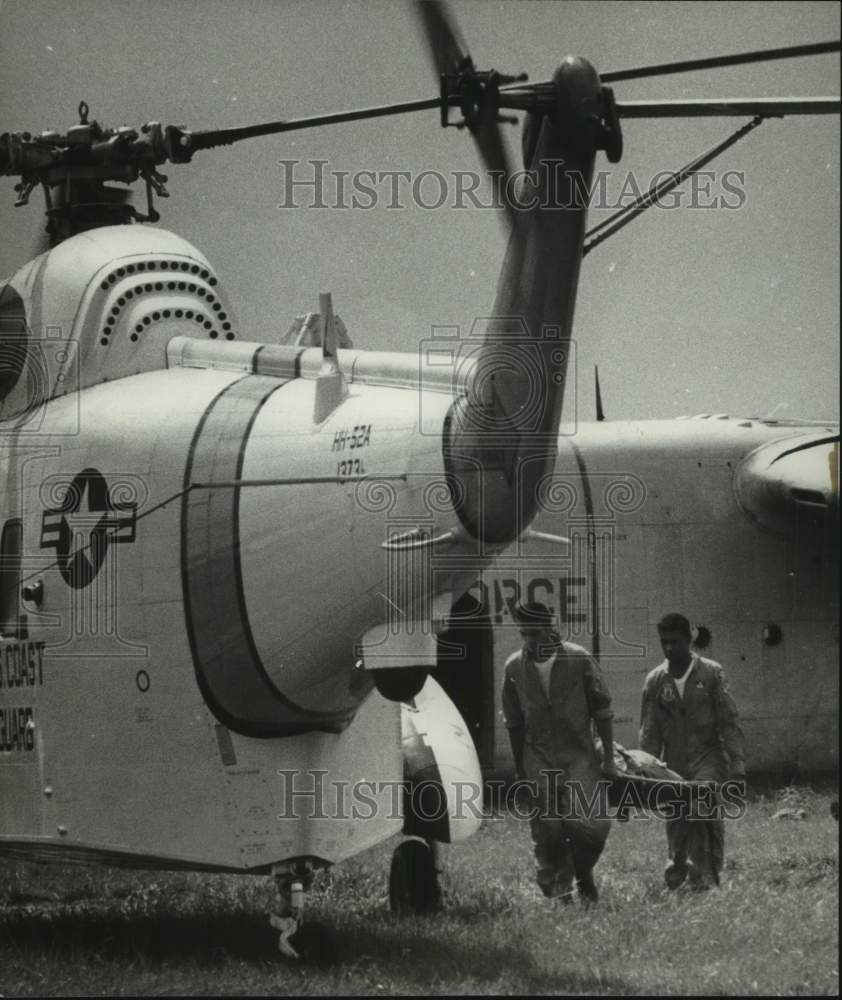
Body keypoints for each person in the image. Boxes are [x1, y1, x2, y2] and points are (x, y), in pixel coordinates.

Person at [501, 600, 617, 903]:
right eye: (524, 634)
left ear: (551, 629)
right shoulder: (514, 667)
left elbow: (602, 711)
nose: (530, 641)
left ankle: (583, 875)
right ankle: (557, 893)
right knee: (548, 830)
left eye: (535, 634)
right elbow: (514, 723)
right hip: (538, 760)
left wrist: (609, 760)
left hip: (579, 757)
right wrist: (521, 769)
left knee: (592, 828)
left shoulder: (580, 660)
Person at [640, 612, 746, 890]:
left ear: (689, 640)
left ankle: (707, 878)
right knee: (676, 816)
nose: (669, 648)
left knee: (702, 812)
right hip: (673, 762)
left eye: (675, 641)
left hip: (707, 758)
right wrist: (644, 773)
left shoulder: (711, 673)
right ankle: (677, 869)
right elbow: (649, 733)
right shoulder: (655, 680)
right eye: (664, 642)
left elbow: (729, 721)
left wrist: (737, 764)